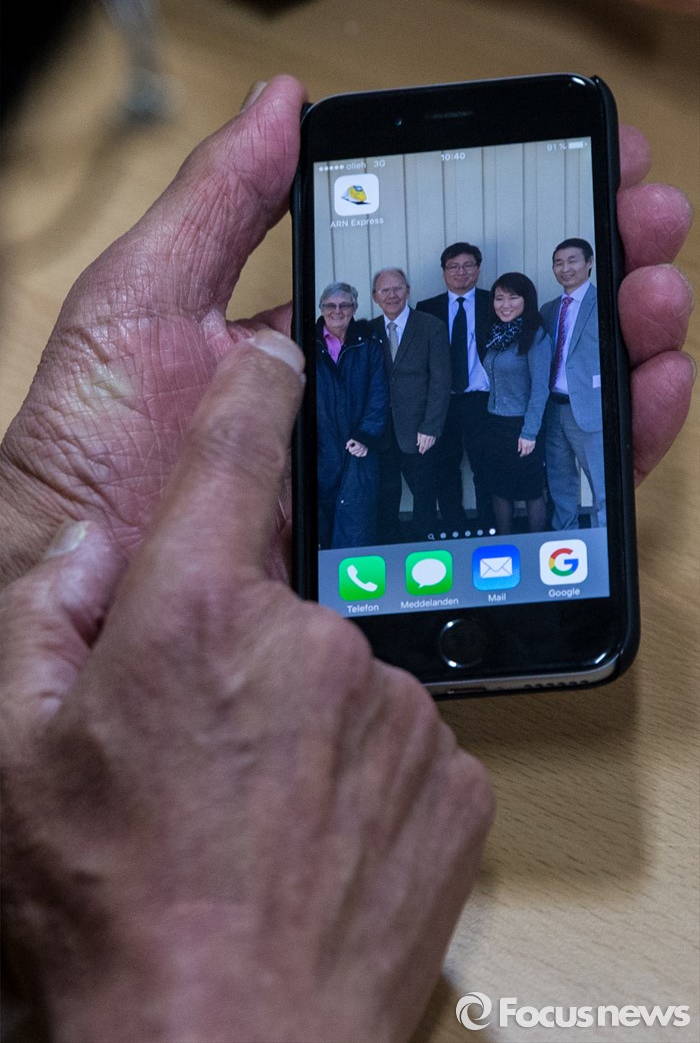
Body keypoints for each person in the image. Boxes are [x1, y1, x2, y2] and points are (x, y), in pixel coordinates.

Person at [0, 75, 695, 1043]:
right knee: (400, 520)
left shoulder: (505, 319)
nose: (376, 298)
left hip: (461, 425)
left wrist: (35, 530)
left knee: (525, 497)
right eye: (367, 292)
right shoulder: (368, 330)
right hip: (384, 447)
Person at [370, 268, 451, 542]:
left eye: (397, 288)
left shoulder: (431, 327)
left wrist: (431, 427)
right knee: (385, 494)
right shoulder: (368, 330)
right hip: (381, 431)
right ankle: (389, 548)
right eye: (385, 290)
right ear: (375, 297)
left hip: (419, 430)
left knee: (424, 493)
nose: (392, 295)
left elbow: (441, 382)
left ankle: (424, 548)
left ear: (408, 290)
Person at [417, 242, 493, 532]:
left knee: (484, 467)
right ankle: (454, 526)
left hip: (481, 401)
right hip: (442, 403)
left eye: (468, 265)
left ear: (478, 269)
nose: (461, 272)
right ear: (444, 272)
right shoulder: (427, 308)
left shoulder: (493, 302)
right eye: (453, 266)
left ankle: (488, 526)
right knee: (445, 468)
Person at [315, 282, 388, 548]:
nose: (337, 311)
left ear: (354, 308)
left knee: (356, 518)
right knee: (320, 515)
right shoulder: (307, 343)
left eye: (344, 305)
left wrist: (366, 435)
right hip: (320, 444)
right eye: (330, 305)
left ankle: (352, 573)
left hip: (358, 444)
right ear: (321, 308)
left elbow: (379, 394)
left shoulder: (368, 344)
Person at [540, 238, 605, 529]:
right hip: (553, 407)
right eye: (558, 263)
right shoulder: (549, 309)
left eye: (572, 261)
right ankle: (564, 538)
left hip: (589, 408)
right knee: (560, 482)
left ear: (589, 263)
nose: (565, 268)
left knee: (601, 482)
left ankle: (605, 537)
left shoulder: (604, 304)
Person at [482, 273, 552, 535]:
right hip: (495, 423)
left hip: (523, 425)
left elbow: (540, 388)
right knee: (500, 487)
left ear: (527, 300)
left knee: (531, 489)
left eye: (513, 297)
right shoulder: (496, 334)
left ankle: (536, 545)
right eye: (499, 298)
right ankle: (504, 542)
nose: (505, 305)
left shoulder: (536, 335)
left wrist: (529, 432)